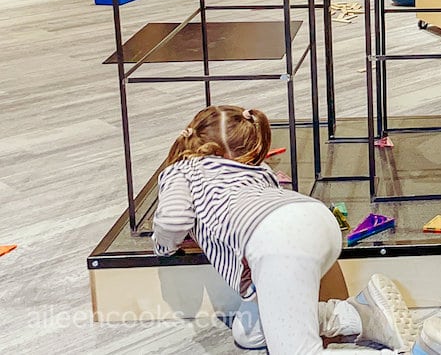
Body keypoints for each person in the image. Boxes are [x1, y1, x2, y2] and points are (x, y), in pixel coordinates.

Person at [152, 105, 416, 353]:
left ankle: (421, 352)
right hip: (315, 218)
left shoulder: (183, 168)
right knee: (249, 332)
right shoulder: (256, 169)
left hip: (277, 240)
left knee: (296, 350)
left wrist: (164, 246)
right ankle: (360, 316)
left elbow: (172, 220)